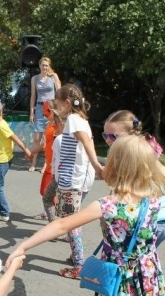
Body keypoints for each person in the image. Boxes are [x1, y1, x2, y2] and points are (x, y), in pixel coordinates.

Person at [7, 135, 165, 296]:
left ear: (118, 166)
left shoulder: (108, 205)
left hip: (119, 280)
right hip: (148, 278)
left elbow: (62, 225)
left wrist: (23, 246)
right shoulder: (155, 201)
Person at [54, 84, 103, 280]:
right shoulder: (82, 119)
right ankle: (77, 256)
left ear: (67, 103)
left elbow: (86, 142)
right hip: (79, 179)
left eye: (58, 105)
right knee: (72, 220)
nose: (57, 109)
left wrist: (97, 164)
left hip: (72, 179)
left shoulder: (74, 119)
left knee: (71, 223)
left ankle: (79, 265)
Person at [103, 110, 165, 246]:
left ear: (130, 134)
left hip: (151, 219)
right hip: (146, 217)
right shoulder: (129, 150)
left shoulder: (134, 154)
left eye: (113, 136)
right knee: (136, 261)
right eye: (105, 135)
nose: (108, 140)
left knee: (130, 260)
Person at [0, 99, 32, 222]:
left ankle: (4, 212)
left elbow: (14, 137)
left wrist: (26, 150)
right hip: (1, 158)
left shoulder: (1, 125)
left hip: (2, 160)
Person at [27, 100, 61, 221]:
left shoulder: (59, 127)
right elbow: (44, 144)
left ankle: (58, 215)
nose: (44, 114)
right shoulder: (49, 125)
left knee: (47, 193)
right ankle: (51, 211)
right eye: (44, 112)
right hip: (49, 165)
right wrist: (31, 152)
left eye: (47, 111)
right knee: (44, 191)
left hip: (56, 166)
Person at [28, 57, 61, 172]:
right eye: (43, 65)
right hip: (39, 107)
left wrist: (58, 110)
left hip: (51, 108)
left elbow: (59, 93)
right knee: (37, 137)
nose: (45, 67)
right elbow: (33, 96)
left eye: (47, 65)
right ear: (39, 66)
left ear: (49, 66)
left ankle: (47, 163)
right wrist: (31, 112)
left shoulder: (53, 77)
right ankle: (33, 163)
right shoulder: (35, 78)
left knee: (49, 136)